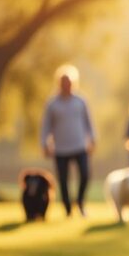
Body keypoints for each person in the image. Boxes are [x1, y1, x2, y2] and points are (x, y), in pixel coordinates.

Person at [40, 64, 96, 217]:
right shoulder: (52, 103)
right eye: (64, 82)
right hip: (61, 148)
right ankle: (67, 209)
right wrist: (45, 143)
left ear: (73, 83)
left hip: (79, 145)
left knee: (85, 175)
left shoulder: (80, 101)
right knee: (63, 180)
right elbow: (46, 126)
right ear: (59, 83)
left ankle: (80, 201)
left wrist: (92, 139)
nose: (67, 85)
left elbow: (88, 122)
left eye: (69, 82)